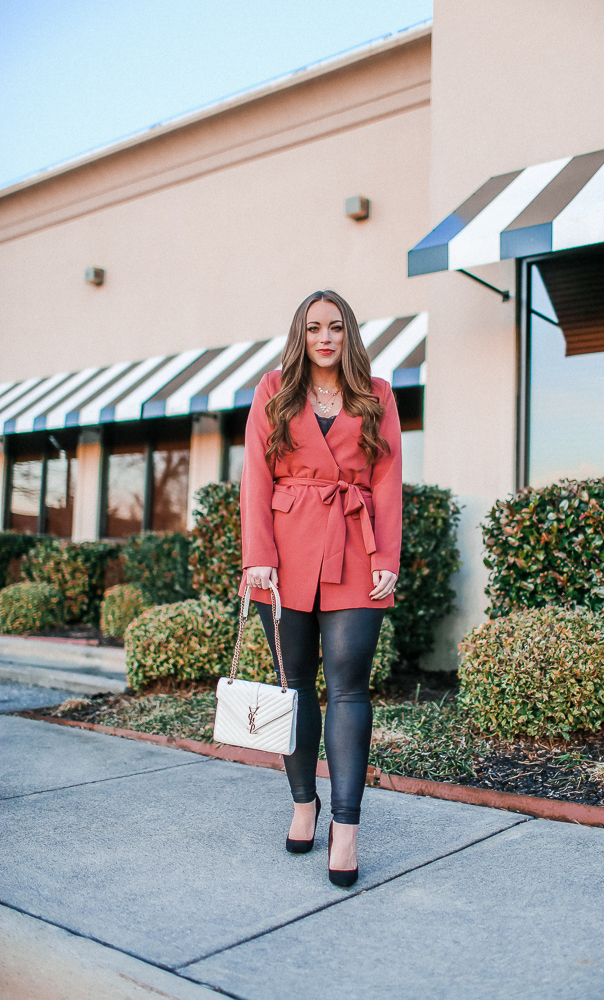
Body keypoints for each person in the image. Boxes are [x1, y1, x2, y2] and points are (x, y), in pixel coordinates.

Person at [240, 289, 402, 887]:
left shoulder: (377, 394)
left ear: (349, 333)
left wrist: (388, 554)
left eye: (335, 327)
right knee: (295, 686)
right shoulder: (273, 389)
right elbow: (255, 474)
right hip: (283, 553)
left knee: (349, 686)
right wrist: (257, 556)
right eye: (314, 328)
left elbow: (388, 476)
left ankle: (346, 827)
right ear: (300, 334)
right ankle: (303, 803)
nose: (325, 337)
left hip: (356, 550)